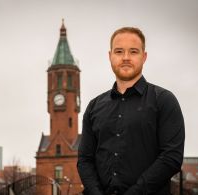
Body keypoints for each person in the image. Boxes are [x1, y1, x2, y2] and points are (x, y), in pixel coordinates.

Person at [77, 27, 185, 195]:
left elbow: (171, 158)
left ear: (144, 56)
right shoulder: (93, 106)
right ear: (110, 56)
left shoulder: (164, 100)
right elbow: (84, 160)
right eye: (119, 51)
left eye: (133, 51)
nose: (126, 58)